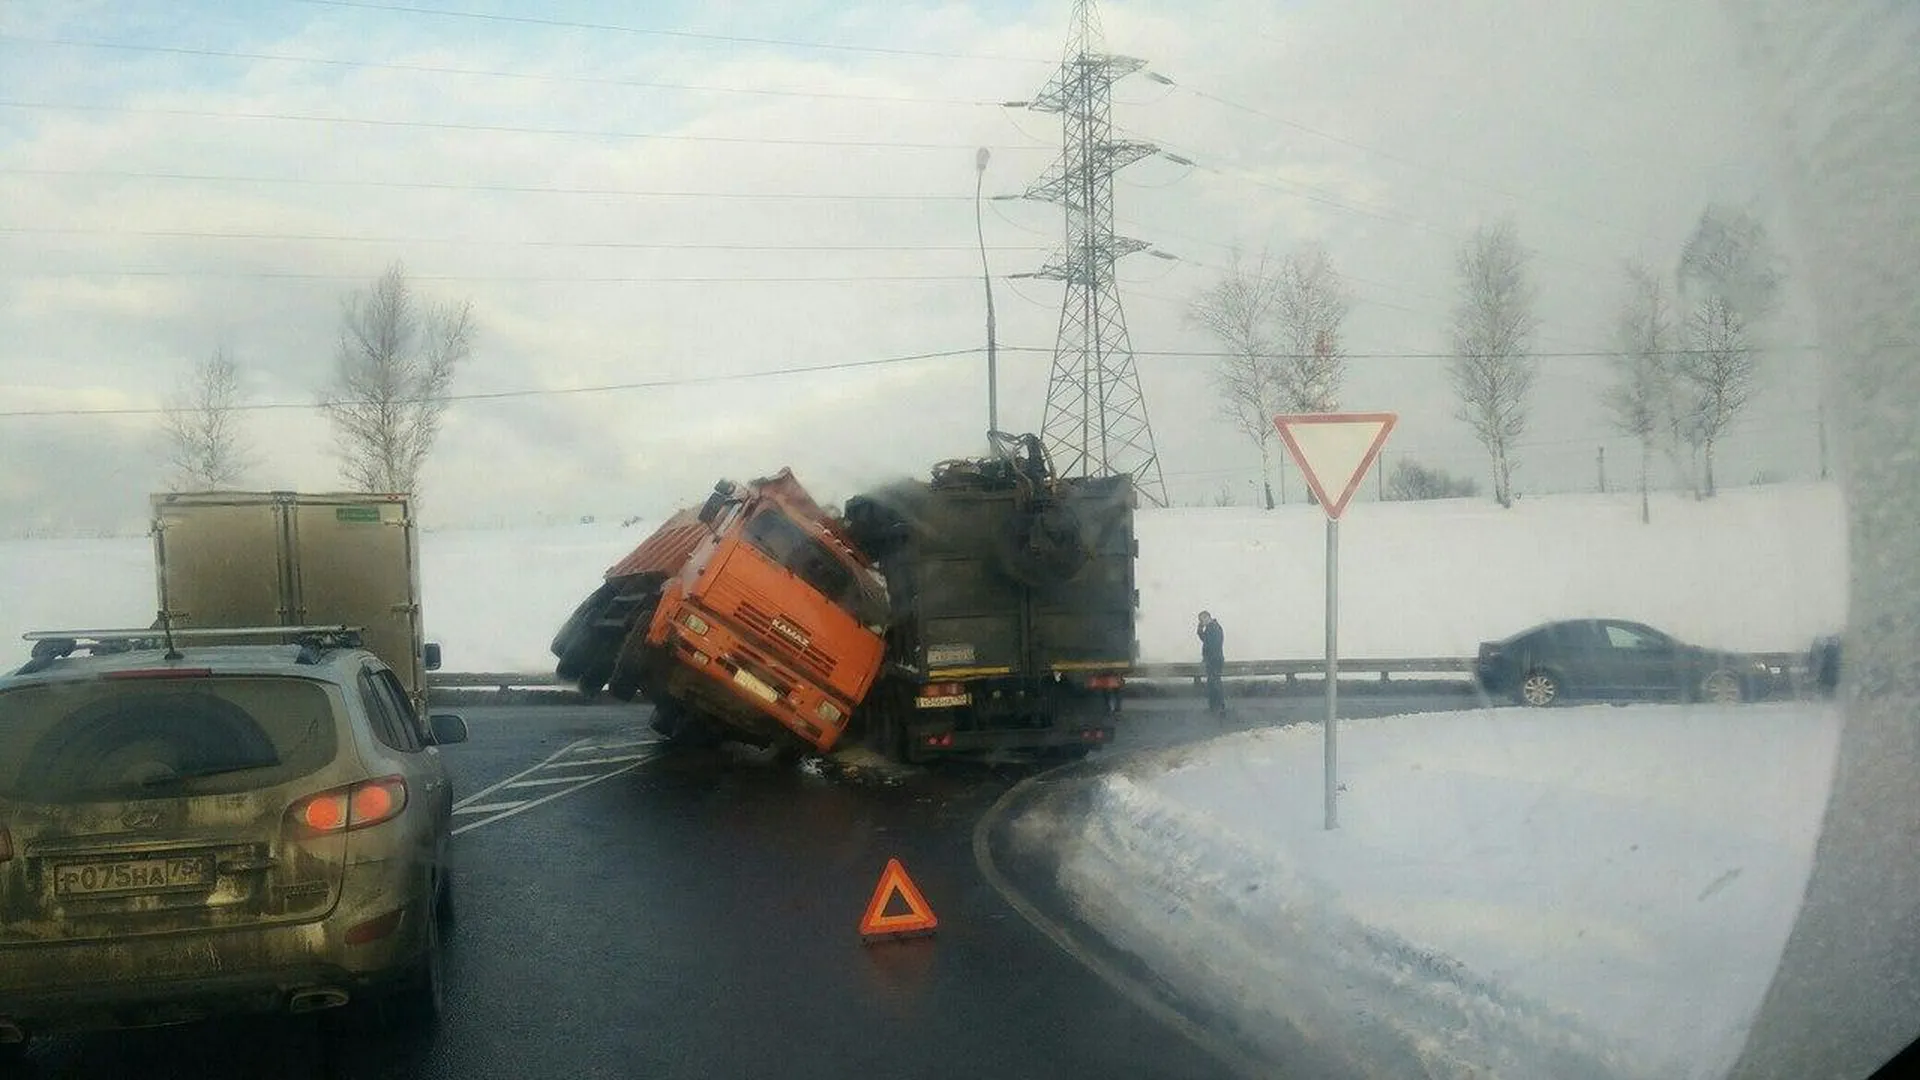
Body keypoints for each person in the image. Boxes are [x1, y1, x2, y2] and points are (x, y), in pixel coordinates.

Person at [1197, 611, 1226, 714]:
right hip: (1214, 659)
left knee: (1215, 683)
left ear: (1207, 617)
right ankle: (1215, 706)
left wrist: (1207, 657)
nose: (1201, 622)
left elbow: (1211, 644)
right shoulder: (1212, 627)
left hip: (1214, 660)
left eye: (1201, 620)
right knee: (1213, 683)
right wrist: (1200, 629)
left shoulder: (1213, 628)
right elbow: (1205, 640)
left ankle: (1218, 706)